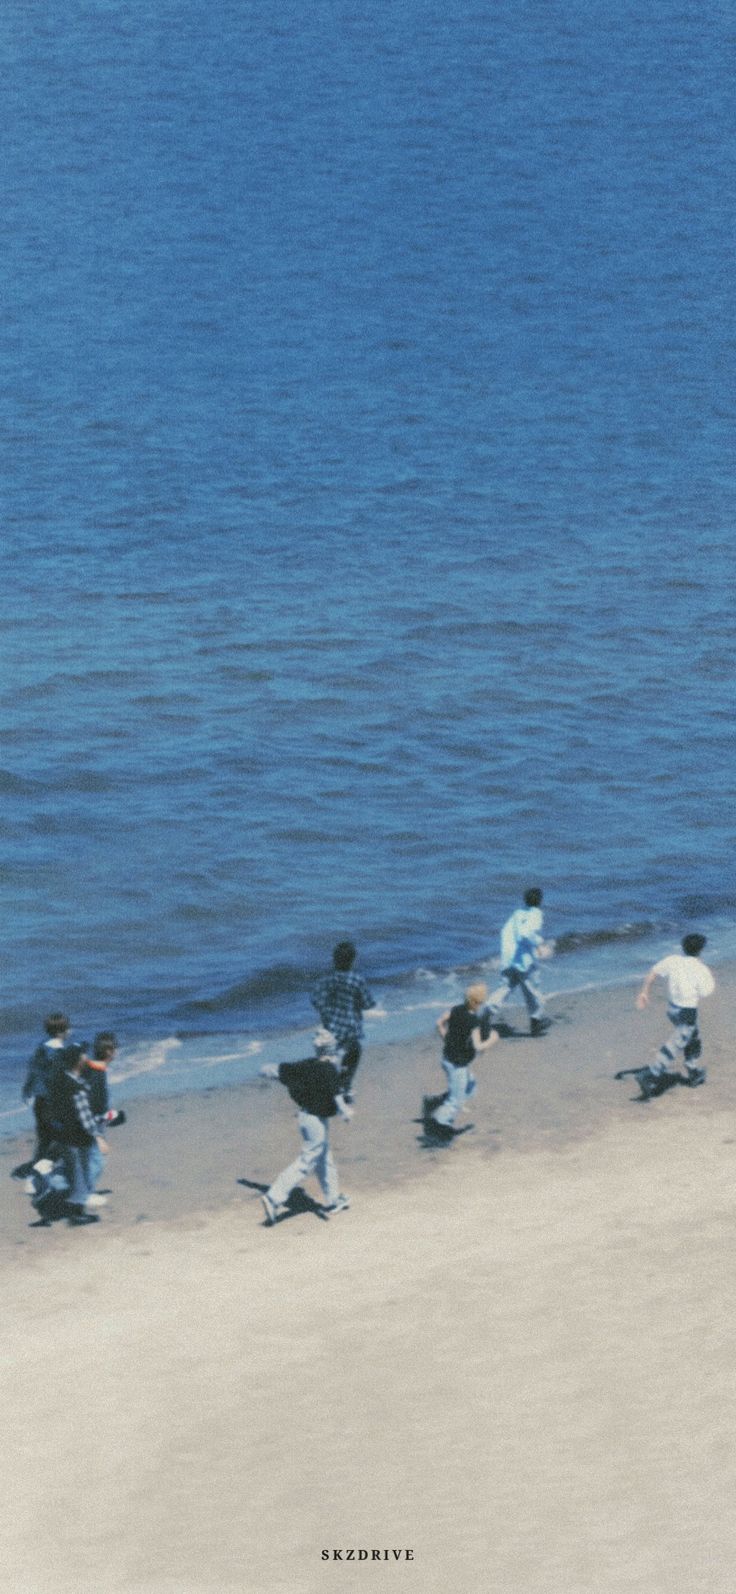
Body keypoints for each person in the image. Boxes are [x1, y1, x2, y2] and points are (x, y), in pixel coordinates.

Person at [258, 1029, 353, 1224]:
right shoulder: (329, 1070)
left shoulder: (308, 1065)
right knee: (306, 1162)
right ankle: (273, 1197)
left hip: (305, 1117)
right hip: (316, 1121)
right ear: (331, 1051)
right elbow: (337, 1097)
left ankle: (334, 1199)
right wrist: (345, 1111)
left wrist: (264, 1069)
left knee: (324, 1159)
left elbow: (278, 1071)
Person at [624, 933, 715, 1100]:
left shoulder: (673, 961)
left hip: (673, 1010)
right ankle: (650, 1074)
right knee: (675, 1044)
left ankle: (694, 1072)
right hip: (688, 1012)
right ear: (700, 950)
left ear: (683, 947)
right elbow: (706, 991)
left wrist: (644, 991)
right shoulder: (701, 969)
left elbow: (653, 972)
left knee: (693, 1039)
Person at [424, 982, 498, 1139]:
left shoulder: (456, 1009)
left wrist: (447, 1040)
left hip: (447, 1058)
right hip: (458, 1065)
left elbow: (439, 1023)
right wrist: (492, 1039)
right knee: (455, 1102)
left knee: (470, 1087)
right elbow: (478, 1046)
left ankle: (436, 1102)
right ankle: (440, 1127)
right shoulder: (473, 1022)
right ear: (478, 1002)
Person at [46, 1043, 109, 1225]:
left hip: (63, 1135)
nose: (86, 1056)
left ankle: (69, 1203)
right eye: (83, 1054)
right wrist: (99, 1137)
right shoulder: (76, 1087)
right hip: (77, 1137)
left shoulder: (60, 1080)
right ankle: (76, 1213)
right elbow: (85, 1117)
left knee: (73, 1170)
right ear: (79, 1060)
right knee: (80, 1172)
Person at [310, 941, 381, 1096]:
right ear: (353, 960)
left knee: (328, 1058)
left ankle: (328, 1088)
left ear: (334, 960)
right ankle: (345, 1085)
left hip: (329, 1027)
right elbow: (368, 1004)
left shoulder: (326, 980)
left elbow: (315, 999)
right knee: (354, 1053)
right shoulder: (357, 980)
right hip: (350, 1028)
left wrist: (325, 1011)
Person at [486, 889, 554, 1036]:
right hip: (524, 961)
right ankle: (536, 1023)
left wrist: (508, 953)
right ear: (539, 901)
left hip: (509, 959)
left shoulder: (517, 913)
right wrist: (538, 943)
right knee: (533, 991)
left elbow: (505, 932)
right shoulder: (536, 913)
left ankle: (484, 1016)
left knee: (504, 989)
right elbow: (525, 934)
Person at [20, 1012, 71, 1165]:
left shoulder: (41, 1048)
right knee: (60, 1137)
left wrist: (27, 1091)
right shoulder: (60, 1053)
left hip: (39, 1101)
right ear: (62, 1031)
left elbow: (32, 1071)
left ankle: (37, 1169)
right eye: (68, 1028)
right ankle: (46, 1170)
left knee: (44, 1137)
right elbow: (59, 1081)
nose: (70, 1031)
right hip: (52, 1103)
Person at [82, 1032, 124, 1208]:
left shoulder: (91, 1069)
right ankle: (84, 1194)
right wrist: (98, 1136)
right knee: (97, 1159)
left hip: (86, 1122)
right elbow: (95, 1108)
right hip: (90, 1125)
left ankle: (78, 1190)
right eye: (115, 1048)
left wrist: (111, 1115)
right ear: (108, 1052)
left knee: (85, 1159)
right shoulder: (98, 1076)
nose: (117, 1052)